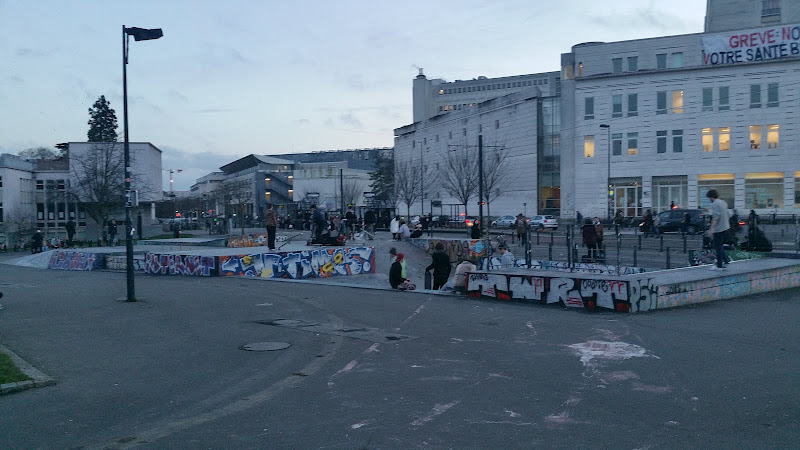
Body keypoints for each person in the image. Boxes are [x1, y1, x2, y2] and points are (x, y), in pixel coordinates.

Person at [706, 189, 731, 270]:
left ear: (711, 197)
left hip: (718, 228)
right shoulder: (723, 202)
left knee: (718, 246)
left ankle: (719, 265)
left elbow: (715, 218)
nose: (709, 200)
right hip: (725, 226)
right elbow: (728, 214)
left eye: (709, 198)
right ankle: (726, 260)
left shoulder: (715, 204)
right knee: (721, 245)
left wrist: (711, 229)